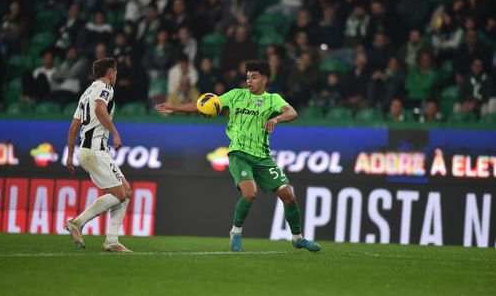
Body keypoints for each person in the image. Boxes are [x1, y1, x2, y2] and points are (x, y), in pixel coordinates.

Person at [155, 59, 320, 253]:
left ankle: (297, 238)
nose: (249, 81)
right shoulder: (235, 95)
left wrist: (276, 118)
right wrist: (174, 108)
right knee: (250, 194)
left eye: (254, 77)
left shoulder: (273, 99)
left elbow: (292, 112)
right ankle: (236, 232)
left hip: (262, 157)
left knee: (289, 197)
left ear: (265, 79)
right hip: (238, 154)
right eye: (247, 77)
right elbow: (204, 104)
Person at [65, 57, 132, 253]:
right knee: (119, 194)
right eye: (116, 72)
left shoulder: (86, 93)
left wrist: (70, 155)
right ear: (110, 72)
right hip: (97, 150)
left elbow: (73, 127)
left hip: (85, 151)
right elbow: (99, 109)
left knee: (126, 193)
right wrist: (115, 132)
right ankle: (78, 222)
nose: (116, 75)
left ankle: (112, 240)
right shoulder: (106, 88)